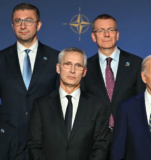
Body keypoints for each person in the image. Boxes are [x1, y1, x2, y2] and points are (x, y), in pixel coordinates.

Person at [0, 3, 59, 159]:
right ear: (12, 25)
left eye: (28, 21)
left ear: (38, 25)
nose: (23, 26)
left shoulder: (56, 58)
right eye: (18, 21)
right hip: (8, 142)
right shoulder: (1, 59)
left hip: (45, 141)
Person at [28, 47, 109, 160]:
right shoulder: (41, 105)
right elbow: (34, 145)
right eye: (67, 64)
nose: (72, 70)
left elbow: (100, 147)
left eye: (78, 66)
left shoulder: (98, 107)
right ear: (58, 68)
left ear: (84, 72)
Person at [82, 14, 145, 154]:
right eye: (101, 31)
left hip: (128, 138)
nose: (106, 34)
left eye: (110, 30)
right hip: (95, 141)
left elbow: (142, 102)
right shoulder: (84, 67)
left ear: (117, 35)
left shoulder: (136, 64)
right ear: (93, 37)